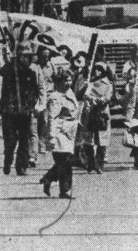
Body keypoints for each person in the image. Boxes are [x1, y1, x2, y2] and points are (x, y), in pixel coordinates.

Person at [0, 41, 41, 176]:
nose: (28, 59)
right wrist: (11, 61)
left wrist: (31, 106)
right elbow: (1, 71)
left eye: (29, 56)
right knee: (10, 141)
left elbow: (35, 93)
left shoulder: (30, 73)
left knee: (24, 139)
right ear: (19, 56)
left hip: (24, 112)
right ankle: (8, 160)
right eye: (25, 56)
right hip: (9, 111)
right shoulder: (10, 70)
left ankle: (21, 166)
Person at [40, 69, 79, 199]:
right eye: (65, 80)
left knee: (64, 163)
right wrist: (51, 137)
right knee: (65, 163)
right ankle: (65, 191)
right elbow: (52, 118)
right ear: (59, 81)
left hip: (70, 133)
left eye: (70, 80)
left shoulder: (69, 93)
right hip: (59, 133)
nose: (68, 83)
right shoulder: (55, 97)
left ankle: (48, 178)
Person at [81, 63, 113, 173]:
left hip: (102, 113)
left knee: (102, 141)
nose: (96, 71)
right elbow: (85, 95)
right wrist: (89, 97)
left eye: (99, 70)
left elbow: (107, 98)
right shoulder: (90, 83)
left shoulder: (108, 84)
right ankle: (90, 162)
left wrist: (97, 100)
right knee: (89, 140)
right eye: (95, 69)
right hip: (90, 113)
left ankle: (99, 164)